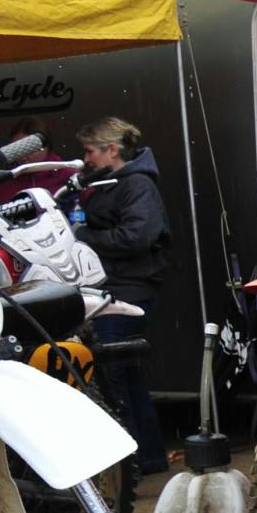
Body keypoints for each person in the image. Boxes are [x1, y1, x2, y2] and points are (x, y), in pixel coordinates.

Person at [71, 116, 170, 475]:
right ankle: (147, 458)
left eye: (90, 151)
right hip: (114, 289)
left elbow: (138, 237)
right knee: (125, 377)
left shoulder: (137, 186)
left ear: (112, 149)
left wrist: (82, 236)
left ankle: (135, 460)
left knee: (119, 376)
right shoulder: (109, 184)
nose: (85, 158)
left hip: (126, 291)